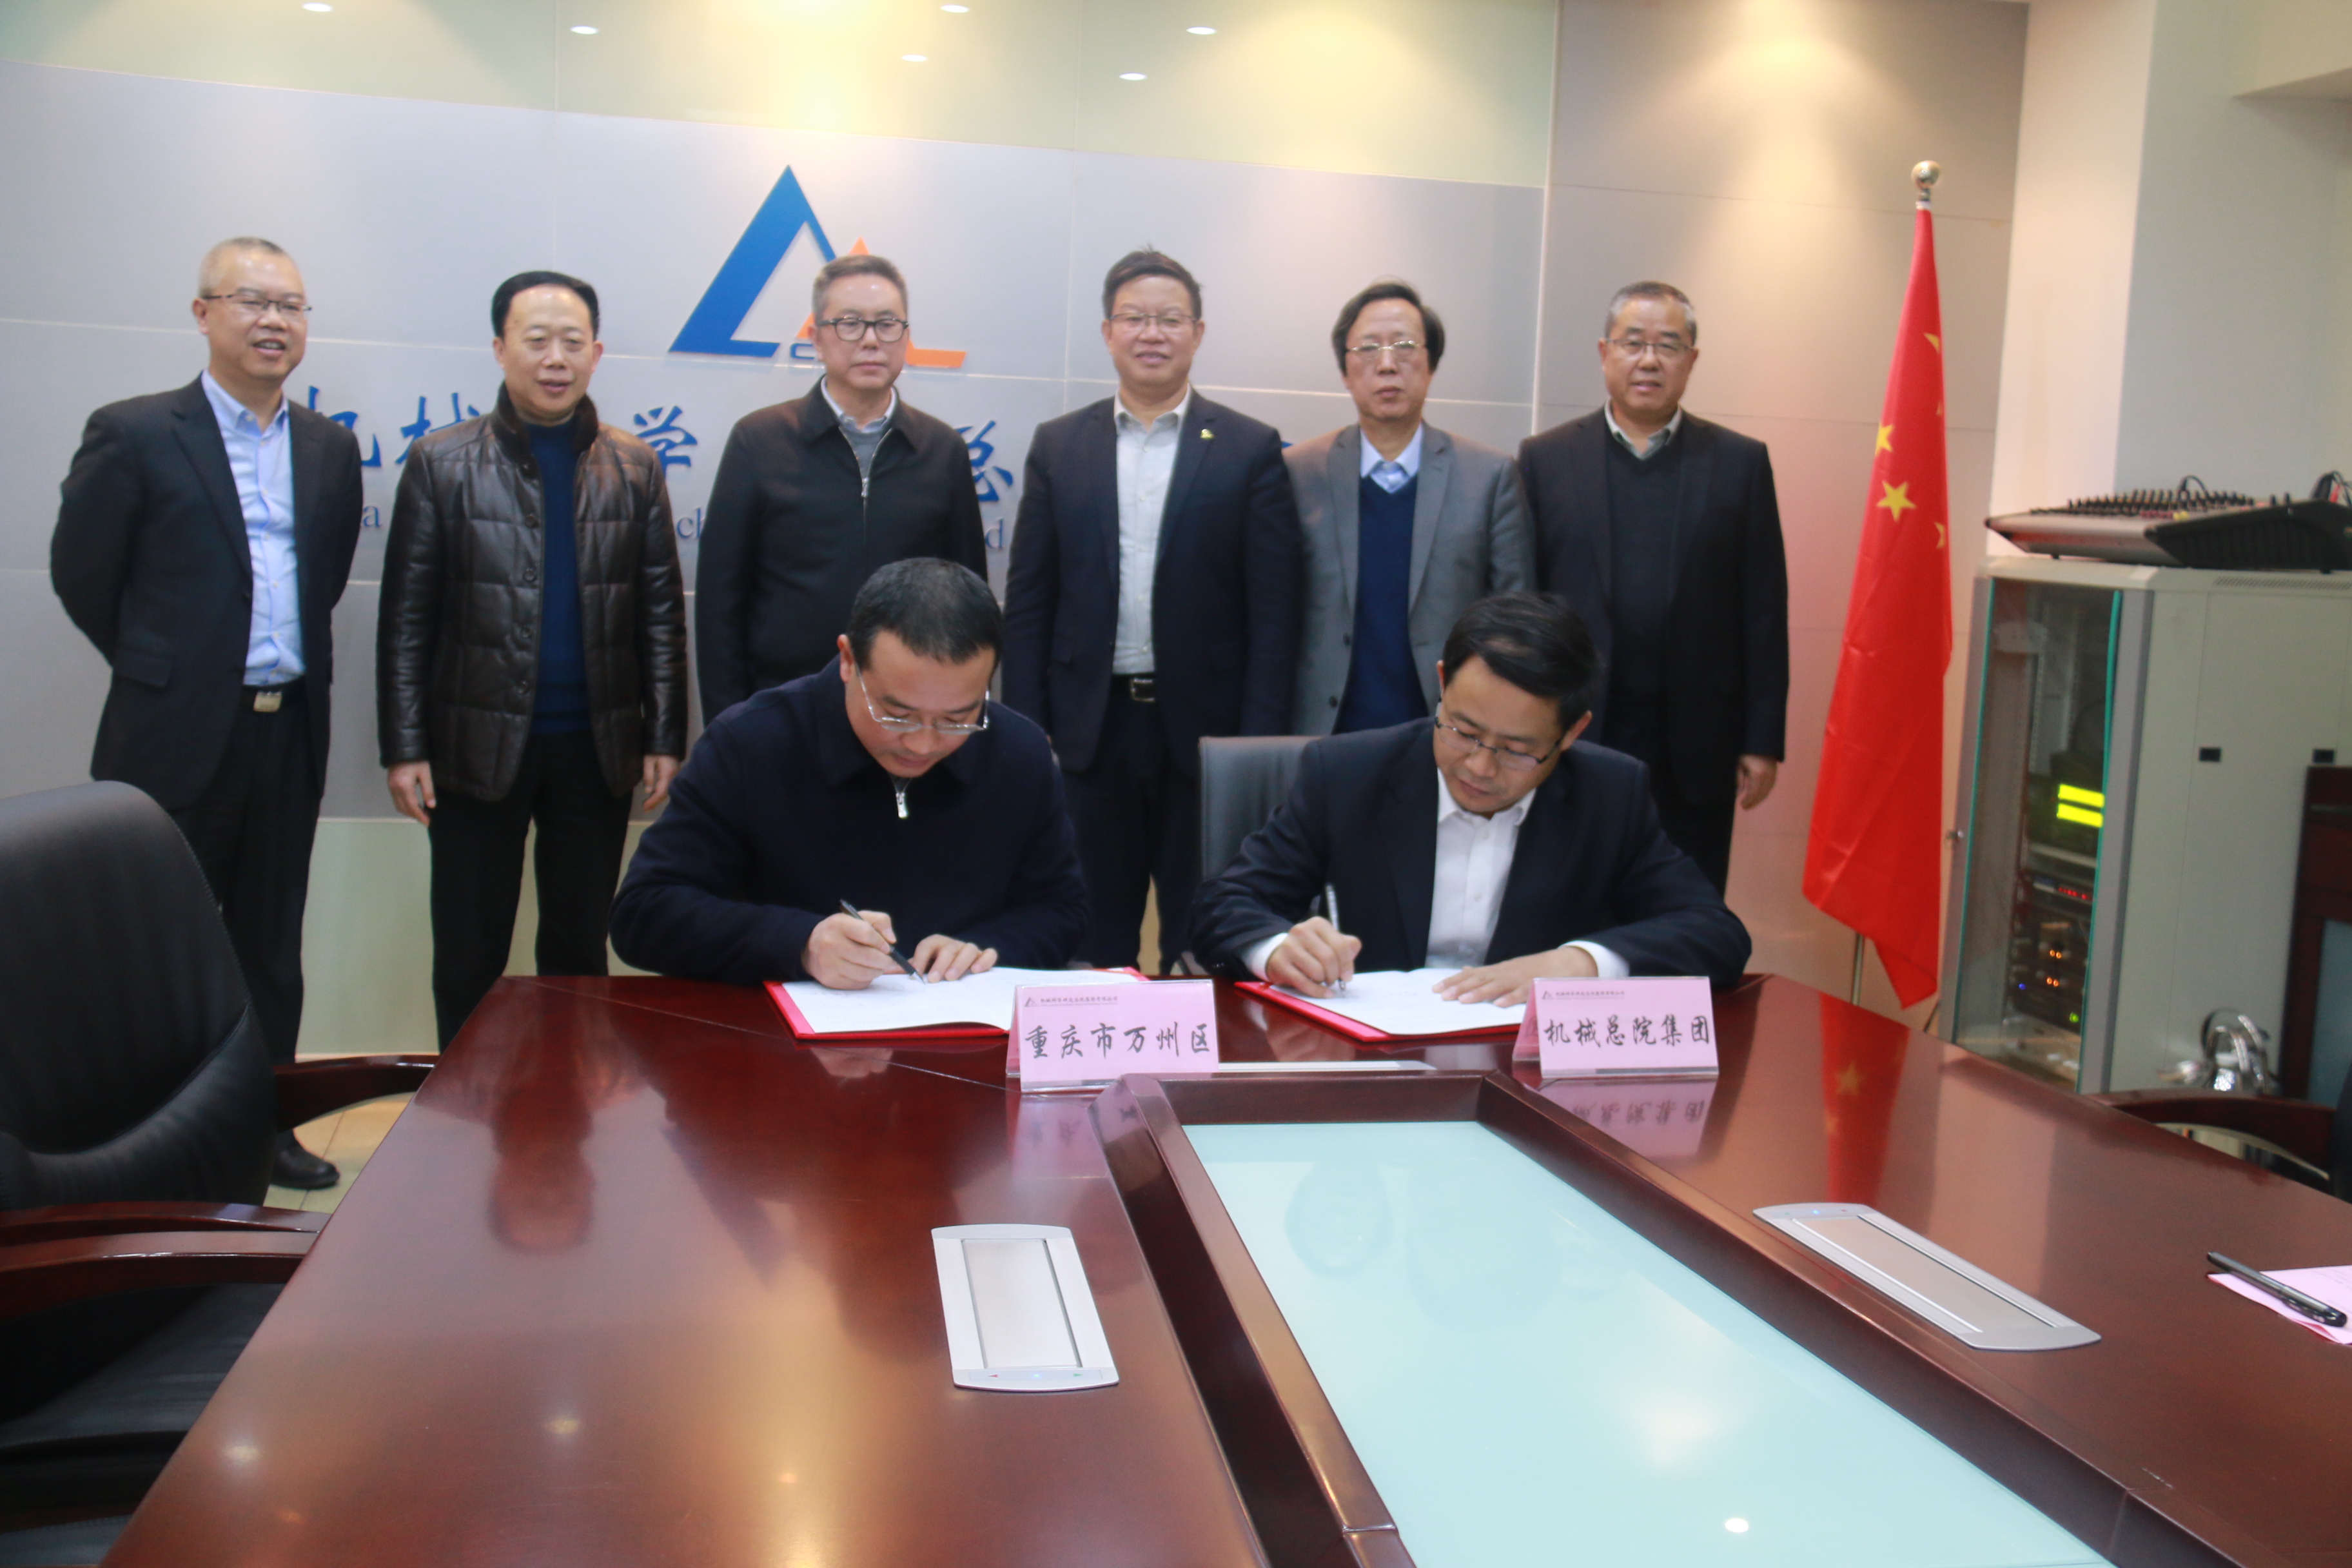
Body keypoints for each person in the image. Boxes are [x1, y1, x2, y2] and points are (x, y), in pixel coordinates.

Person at [52, 237, 366, 1190]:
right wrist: (163, 668)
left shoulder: (328, 447)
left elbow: (325, 577)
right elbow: (84, 575)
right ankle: (142, 1143)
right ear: (203, 313)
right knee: (151, 947)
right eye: (251, 301)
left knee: (270, 944)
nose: (274, 321)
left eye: (292, 306)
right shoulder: (136, 431)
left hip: (287, 729)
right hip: (171, 735)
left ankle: (266, 1130)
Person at [377, 270, 689, 1047]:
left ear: (597, 353)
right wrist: (405, 746)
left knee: (579, 946)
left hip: (596, 745)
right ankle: (462, 1103)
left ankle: (565, 1094)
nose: (556, 358)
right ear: (500, 348)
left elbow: (660, 612)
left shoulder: (635, 465)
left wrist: (664, 735)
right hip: (473, 745)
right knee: (469, 946)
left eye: (573, 342)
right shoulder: (442, 462)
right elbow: (406, 619)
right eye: (537, 339)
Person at [1189, 593, 1749, 1003]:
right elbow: (1223, 903)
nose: (1480, 767)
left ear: (1572, 732)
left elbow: (1716, 934)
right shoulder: (1347, 774)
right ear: (1442, 683)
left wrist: (1578, 963)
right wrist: (1278, 948)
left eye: (1518, 750)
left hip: (1525, 1074)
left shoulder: (1610, 794)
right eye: (1462, 731)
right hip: (1372, 1063)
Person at [1001, 249, 1302, 970]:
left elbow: (1275, 614)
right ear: (1108, 332)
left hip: (1206, 735)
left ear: (1198, 332)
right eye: (1135, 318)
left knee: (1205, 934)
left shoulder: (1248, 447)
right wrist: (1029, 732)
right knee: (1088, 932)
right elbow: (1030, 602)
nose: (1152, 333)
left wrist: (1253, 744)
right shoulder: (1060, 445)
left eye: (1170, 319)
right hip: (1088, 731)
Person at [611, 558, 1086, 988]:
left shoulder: (1018, 753)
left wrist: (989, 947)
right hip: (779, 1041)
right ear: (847, 660)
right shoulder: (752, 743)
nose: (923, 744)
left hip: (963, 1033)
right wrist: (799, 943)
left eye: (956, 719)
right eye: (896, 715)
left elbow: (1061, 911)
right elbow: (644, 914)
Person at [1517, 280, 1788, 892]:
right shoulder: (1546, 459)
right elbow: (1523, 602)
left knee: (1683, 903)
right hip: (1577, 729)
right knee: (1571, 896)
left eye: (1668, 345)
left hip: (1698, 738)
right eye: (1633, 343)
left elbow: (1764, 610)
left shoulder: (1740, 463)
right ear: (1604, 353)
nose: (1649, 360)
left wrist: (1762, 739)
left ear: (1692, 359)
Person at [694, 253, 988, 720]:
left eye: (887, 324)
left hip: (908, 711)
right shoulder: (759, 442)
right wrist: (730, 722)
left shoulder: (942, 450)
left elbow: (968, 598)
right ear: (816, 339)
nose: (870, 340)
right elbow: (720, 603)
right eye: (850, 324)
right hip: (783, 706)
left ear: (906, 337)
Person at [1290, 280, 1534, 735]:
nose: (1387, 365)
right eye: (1368, 348)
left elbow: (1513, 624)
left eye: (1404, 347)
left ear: (1431, 365)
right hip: (1324, 734)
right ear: (1345, 371)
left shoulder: (1489, 476)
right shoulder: (1297, 473)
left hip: (1447, 735)